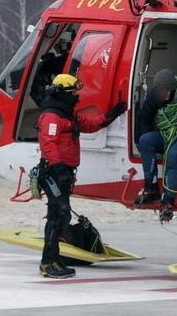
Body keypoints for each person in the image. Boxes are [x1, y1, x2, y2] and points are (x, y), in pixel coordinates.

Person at [37, 73, 126, 278]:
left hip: (63, 173)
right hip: (53, 173)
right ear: (62, 94)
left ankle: (54, 260)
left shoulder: (69, 115)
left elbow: (91, 125)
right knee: (58, 216)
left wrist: (112, 114)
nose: (76, 96)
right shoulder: (52, 117)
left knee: (63, 216)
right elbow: (48, 145)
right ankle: (47, 263)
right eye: (73, 93)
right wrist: (59, 169)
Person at [134, 68, 177, 222]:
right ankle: (150, 188)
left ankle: (168, 202)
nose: (163, 96)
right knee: (146, 141)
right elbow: (144, 118)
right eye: (161, 91)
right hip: (165, 135)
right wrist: (144, 140)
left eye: (167, 92)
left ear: (174, 89)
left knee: (173, 155)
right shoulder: (155, 96)